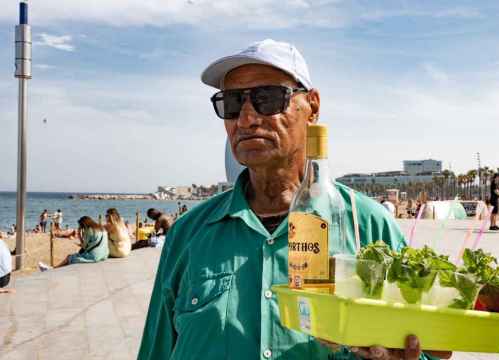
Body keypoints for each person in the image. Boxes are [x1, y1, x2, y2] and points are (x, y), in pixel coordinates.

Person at [138, 39, 450, 360]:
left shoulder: (368, 227)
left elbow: (422, 346)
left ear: (312, 106)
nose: (245, 119)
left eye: (268, 98)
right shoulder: (188, 234)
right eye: (231, 103)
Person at [38, 216, 109, 271]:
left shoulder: (89, 230)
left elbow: (84, 246)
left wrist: (79, 235)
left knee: (69, 257)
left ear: (84, 224)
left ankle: (52, 269)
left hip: (94, 256)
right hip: (104, 254)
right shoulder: (102, 229)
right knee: (74, 257)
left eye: (81, 226)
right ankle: (53, 268)